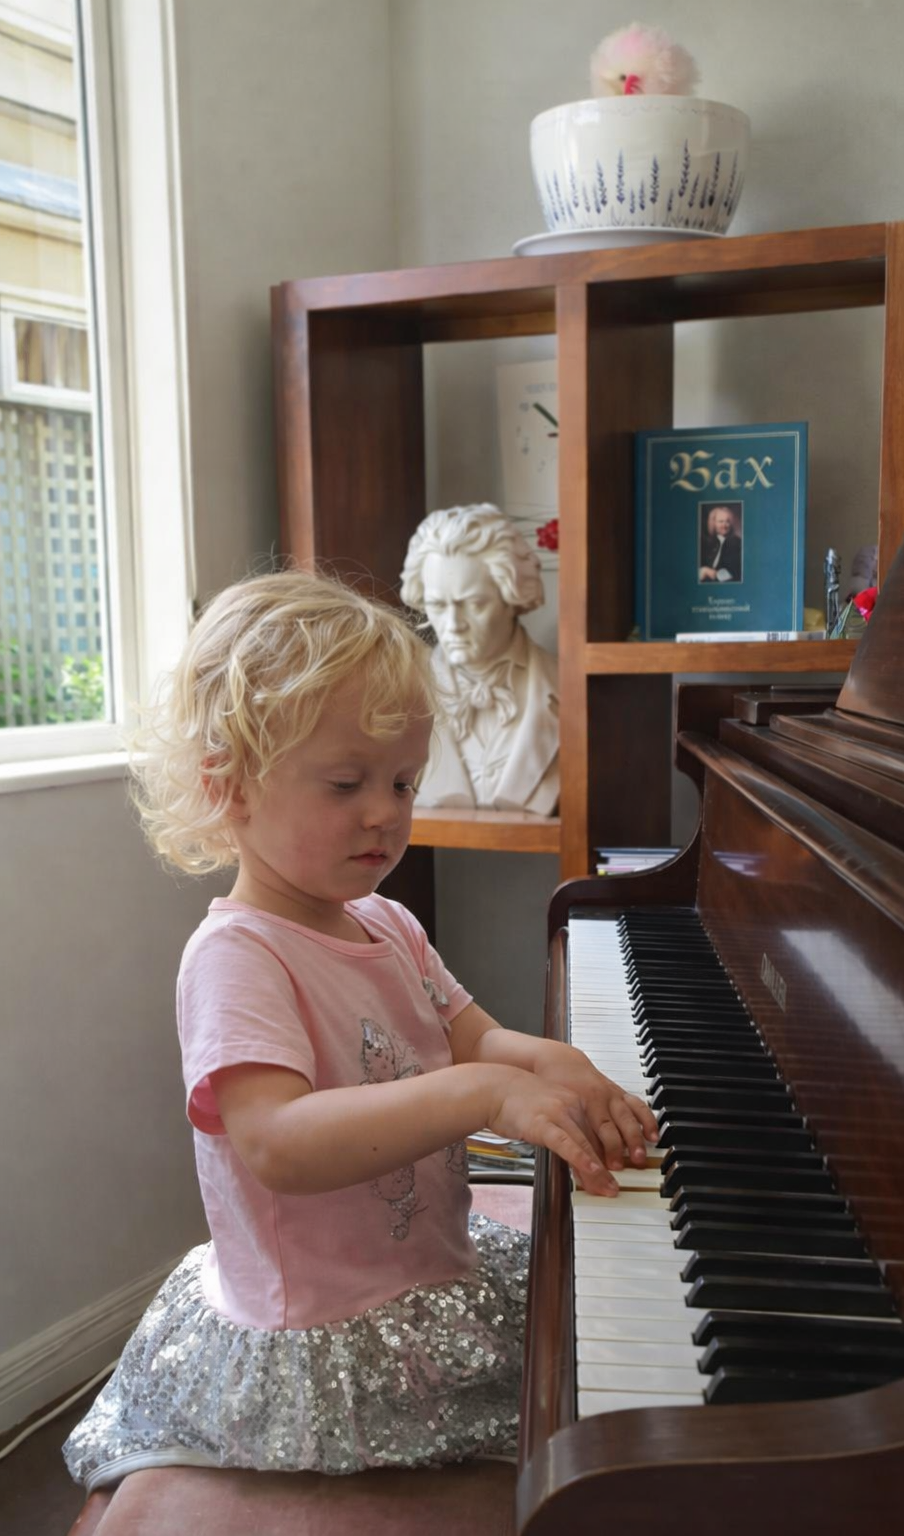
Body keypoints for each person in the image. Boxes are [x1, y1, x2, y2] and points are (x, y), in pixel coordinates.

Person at [63, 568, 654, 1493]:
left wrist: (559, 1064)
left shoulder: (386, 922)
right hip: (327, 1331)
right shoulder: (238, 957)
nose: (384, 811)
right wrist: (485, 1095)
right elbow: (277, 1145)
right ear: (231, 789)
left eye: (403, 780)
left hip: (428, 1271)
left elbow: (475, 1040)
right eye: (345, 783)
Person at [400, 505, 559, 815]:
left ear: (512, 597)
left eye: (472, 604)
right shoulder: (398, 696)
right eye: (437, 605)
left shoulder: (570, 691)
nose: (453, 624)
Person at [698, 503, 743, 582]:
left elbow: (735, 573)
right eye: (720, 521)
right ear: (713, 523)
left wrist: (708, 572)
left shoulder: (736, 542)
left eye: (727, 521)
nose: (724, 525)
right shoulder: (708, 543)